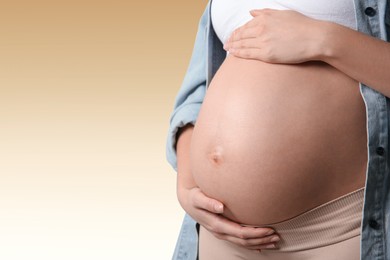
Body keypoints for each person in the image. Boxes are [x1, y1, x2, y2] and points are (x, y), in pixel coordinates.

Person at [166, 0, 390, 259]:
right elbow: (198, 90)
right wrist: (187, 183)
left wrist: (326, 39)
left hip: (339, 230)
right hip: (219, 234)